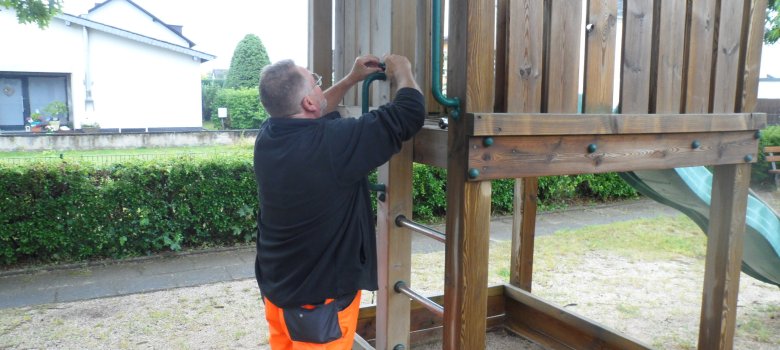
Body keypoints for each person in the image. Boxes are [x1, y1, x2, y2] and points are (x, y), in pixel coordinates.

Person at [253, 54, 425, 349]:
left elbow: (314, 110)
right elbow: (409, 113)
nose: (320, 86)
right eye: (316, 82)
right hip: (318, 304)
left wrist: (350, 79)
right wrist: (403, 71)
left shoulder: (268, 135)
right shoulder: (332, 144)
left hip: (278, 290)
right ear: (308, 102)